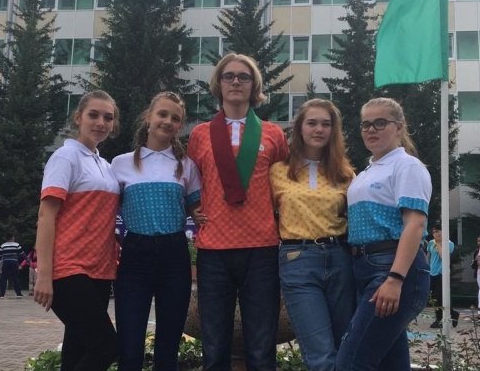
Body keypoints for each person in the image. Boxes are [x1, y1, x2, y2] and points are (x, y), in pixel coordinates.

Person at [187, 53, 289, 370]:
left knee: (261, 345)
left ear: (253, 85)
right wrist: (193, 209)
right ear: (218, 83)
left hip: (261, 249)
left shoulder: (274, 134)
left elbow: (284, 187)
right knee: (214, 345)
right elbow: (191, 182)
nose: (235, 82)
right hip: (213, 249)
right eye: (228, 76)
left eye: (243, 77)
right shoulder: (199, 134)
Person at [336, 97, 432, 370]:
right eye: (365, 124)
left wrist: (395, 279)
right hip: (365, 269)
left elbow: (415, 225)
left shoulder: (407, 166)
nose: (371, 130)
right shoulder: (366, 172)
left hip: (392, 269)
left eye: (380, 123)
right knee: (390, 365)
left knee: (351, 362)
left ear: (399, 127)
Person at [111, 91, 201, 370]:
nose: (168, 121)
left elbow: (196, 209)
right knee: (129, 344)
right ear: (148, 117)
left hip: (175, 255)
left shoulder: (186, 165)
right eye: (162, 114)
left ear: (180, 126)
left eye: (176, 118)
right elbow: (106, 211)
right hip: (135, 255)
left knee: (168, 345)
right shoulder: (121, 163)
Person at [34, 90, 120, 371]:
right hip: (68, 269)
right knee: (106, 346)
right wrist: (44, 274)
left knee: (77, 349)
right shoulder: (65, 157)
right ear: (78, 117)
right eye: (94, 115)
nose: (101, 123)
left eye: (108, 118)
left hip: (100, 271)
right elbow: (46, 215)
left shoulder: (106, 166)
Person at [269, 99, 355, 370]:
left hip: (340, 258)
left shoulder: (345, 174)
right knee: (320, 354)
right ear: (300, 128)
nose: (319, 129)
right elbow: (262, 214)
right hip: (298, 260)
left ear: (333, 130)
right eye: (312, 123)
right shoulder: (278, 171)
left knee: (347, 347)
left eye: (326, 124)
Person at [427, 224, 459, 328]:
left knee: (439, 296)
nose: (435, 234)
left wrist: (439, 244)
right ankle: (453, 313)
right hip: (432, 273)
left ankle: (439, 319)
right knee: (434, 297)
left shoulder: (449, 244)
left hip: (442, 273)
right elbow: (428, 256)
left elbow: (444, 257)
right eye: (433, 232)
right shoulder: (431, 243)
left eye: (437, 231)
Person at [0, 233, 26, 298]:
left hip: (6, 262)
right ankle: (19, 294)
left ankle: (2, 294)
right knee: (16, 278)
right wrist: (27, 259)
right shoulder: (16, 245)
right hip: (14, 262)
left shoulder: (3, 245)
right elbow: (22, 253)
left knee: (4, 278)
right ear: (12, 237)